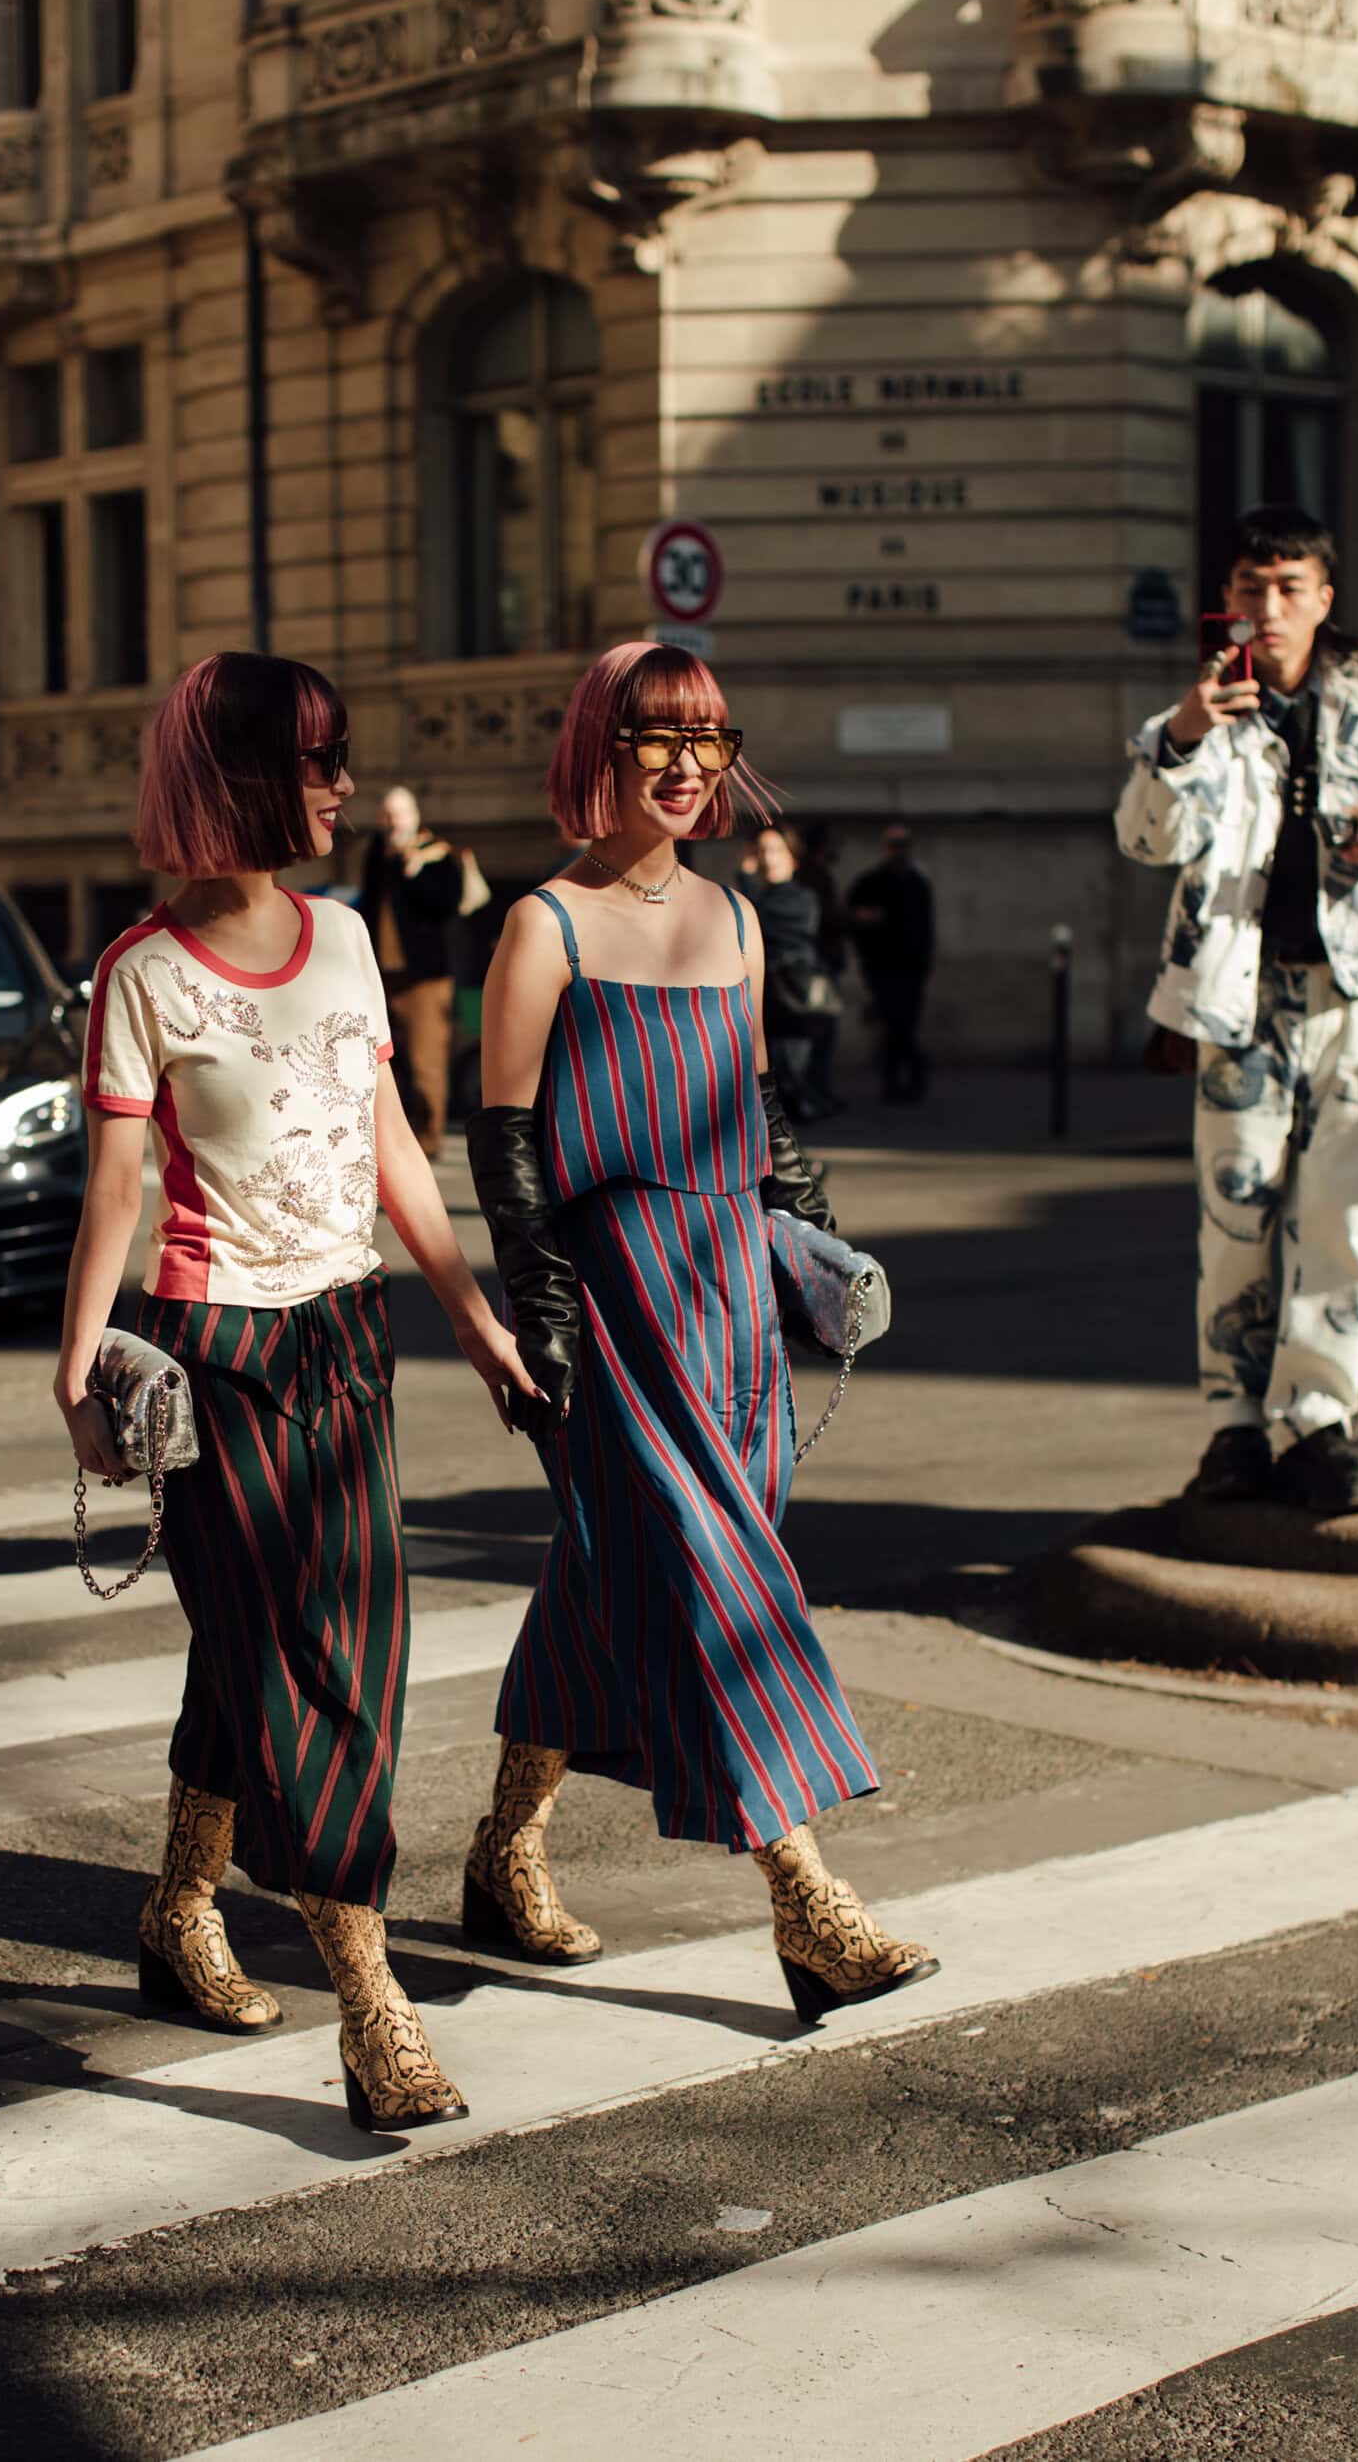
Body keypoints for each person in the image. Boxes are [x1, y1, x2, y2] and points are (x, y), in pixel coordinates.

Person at [55, 652, 535, 2132]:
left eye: (338, 756)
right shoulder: (143, 973)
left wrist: (470, 1310)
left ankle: (177, 1907)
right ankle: (369, 2000)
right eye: (316, 758)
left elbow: (387, 1137)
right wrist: (76, 1372)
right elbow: (119, 1192)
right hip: (216, 1356)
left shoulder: (339, 936)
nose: (337, 783)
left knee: (325, 1644)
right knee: (302, 1668)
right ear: (243, 775)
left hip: (343, 1338)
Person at [460, 641, 939, 2021]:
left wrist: (819, 1244)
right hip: (610, 1297)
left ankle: (503, 1850)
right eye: (655, 738)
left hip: (727, 1287)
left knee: (611, 1572)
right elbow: (503, 1150)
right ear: (595, 752)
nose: (684, 766)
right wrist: (539, 1327)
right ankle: (808, 1903)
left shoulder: (731, 921)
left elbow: (756, 1109)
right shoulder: (539, 927)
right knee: (705, 1574)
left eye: (708, 741)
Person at [1116, 504, 1358, 1515]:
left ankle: (1318, 1419)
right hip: (1234, 1003)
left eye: (1287, 588)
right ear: (1225, 600)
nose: (1266, 608)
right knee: (1234, 1214)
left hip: (1350, 994)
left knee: (1344, 1216)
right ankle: (1232, 1424)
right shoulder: (1197, 716)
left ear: (1322, 599)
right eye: (1248, 589)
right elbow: (1143, 841)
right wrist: (1182, 734)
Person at [359, 785, 464, 1158]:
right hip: (383, 975)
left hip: (424, 978)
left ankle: (428, 1140)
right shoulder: (377, 853)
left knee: (426, 1064)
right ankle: (395, 1138)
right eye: (387, 815)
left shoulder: (438, 855)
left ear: (415, 816)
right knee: (391, 1064)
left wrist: (414, 872)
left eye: (399, 814)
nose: (392, 823)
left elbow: (447, 905)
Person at [739, 824, 824, 1121]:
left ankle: (795, 1158)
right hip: (765, 1004)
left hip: (791, 1001)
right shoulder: (760, 897)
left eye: (775, 850)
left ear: (793, 858)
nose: (767, 858)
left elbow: (764, 928)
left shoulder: (799, 898)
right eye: (761, 851)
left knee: (787, 1081)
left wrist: (747, 880)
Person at [848, 821, 934, 1102]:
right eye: (894, 845)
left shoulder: (917, 882)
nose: (898, 851)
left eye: (902, 845)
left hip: (910, 966)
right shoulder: (872, 881)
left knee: (903, 1024)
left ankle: (904, 1079)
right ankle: (900, 1079)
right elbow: (852, 917)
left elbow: (925, 927)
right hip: (882, 965)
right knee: (892, 1023)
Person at [797, 816, 849, 1117]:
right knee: (821, 1031)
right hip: (818, 964)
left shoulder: (816, 874)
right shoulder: (813, 876)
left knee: (823, 1031)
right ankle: (814, 1092)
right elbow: (824, 919)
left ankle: (817, 1091)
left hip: (822, 962)